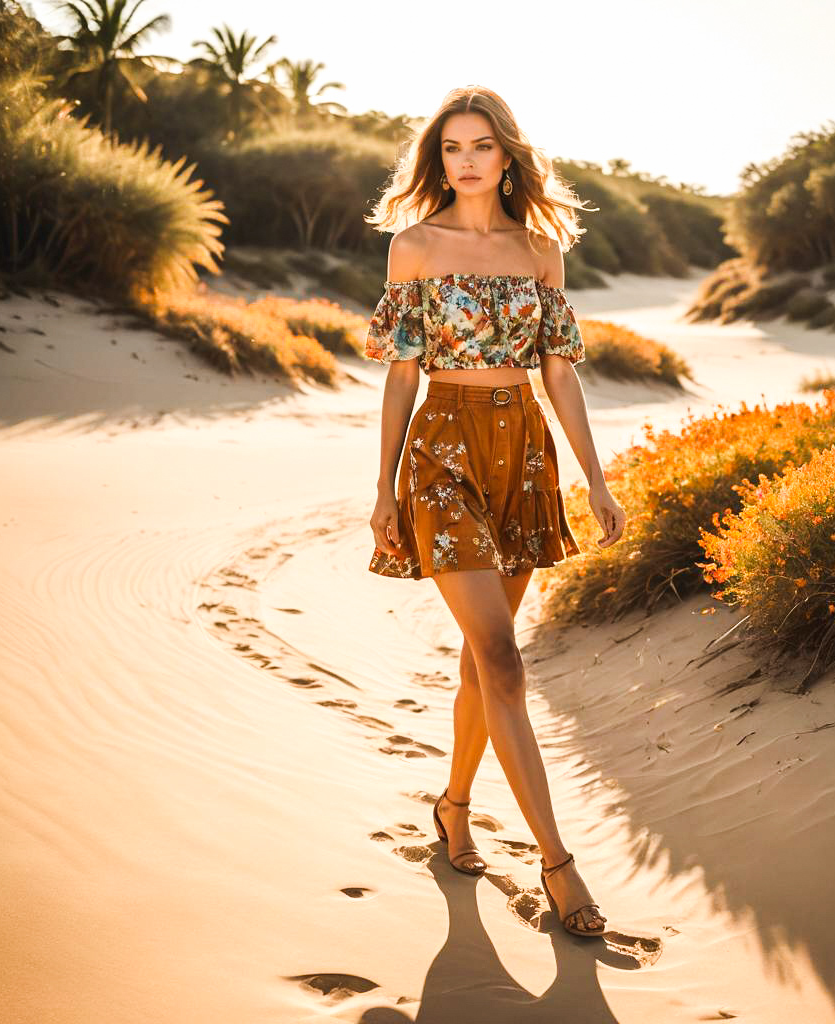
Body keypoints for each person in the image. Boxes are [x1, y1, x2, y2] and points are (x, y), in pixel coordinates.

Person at [364, 85, 626, 938]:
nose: (466, 159)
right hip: (441, 446)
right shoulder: (414, 247)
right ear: (437, 159)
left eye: (481, 145)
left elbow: (559, 372)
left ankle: (453, 806)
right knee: (505, 661)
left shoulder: (542, 250)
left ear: (507, 155)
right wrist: (382, 489)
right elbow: (401, 373)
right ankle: (558, 863)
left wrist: (595, 476)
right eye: (451, 148)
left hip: (523, 450)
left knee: (485, 663)